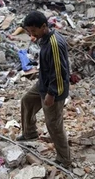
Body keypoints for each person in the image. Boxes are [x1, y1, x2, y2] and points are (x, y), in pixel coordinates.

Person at [17, 11, 71, 167]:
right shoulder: (44, 37)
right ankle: (30, 133)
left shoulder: (54, 43)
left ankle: (64, 159)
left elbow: (60, 71)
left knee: (54, 124)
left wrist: (51, 94)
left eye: (33, 31)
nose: (31, 34)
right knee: (27, 100)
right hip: (44, 82)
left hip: (55, 88)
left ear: (43, 26)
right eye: (29, 31)